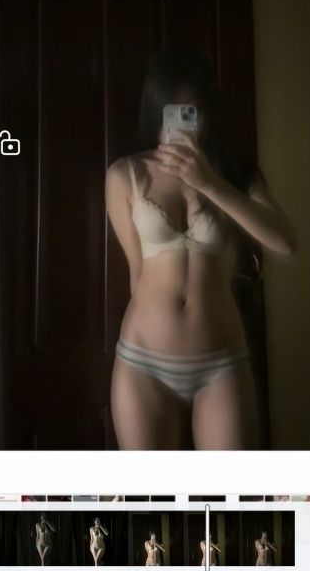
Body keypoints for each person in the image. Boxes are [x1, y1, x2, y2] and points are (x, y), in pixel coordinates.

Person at [107, 46, 295, 450]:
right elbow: (137, 272)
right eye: (175, 109)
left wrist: (209, 183)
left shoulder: (235, 175)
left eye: (194, 111)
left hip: (221, 364)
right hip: (143, 362)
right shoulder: (126, 174)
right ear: (157, 110)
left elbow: (285, 243)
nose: (185, 122)